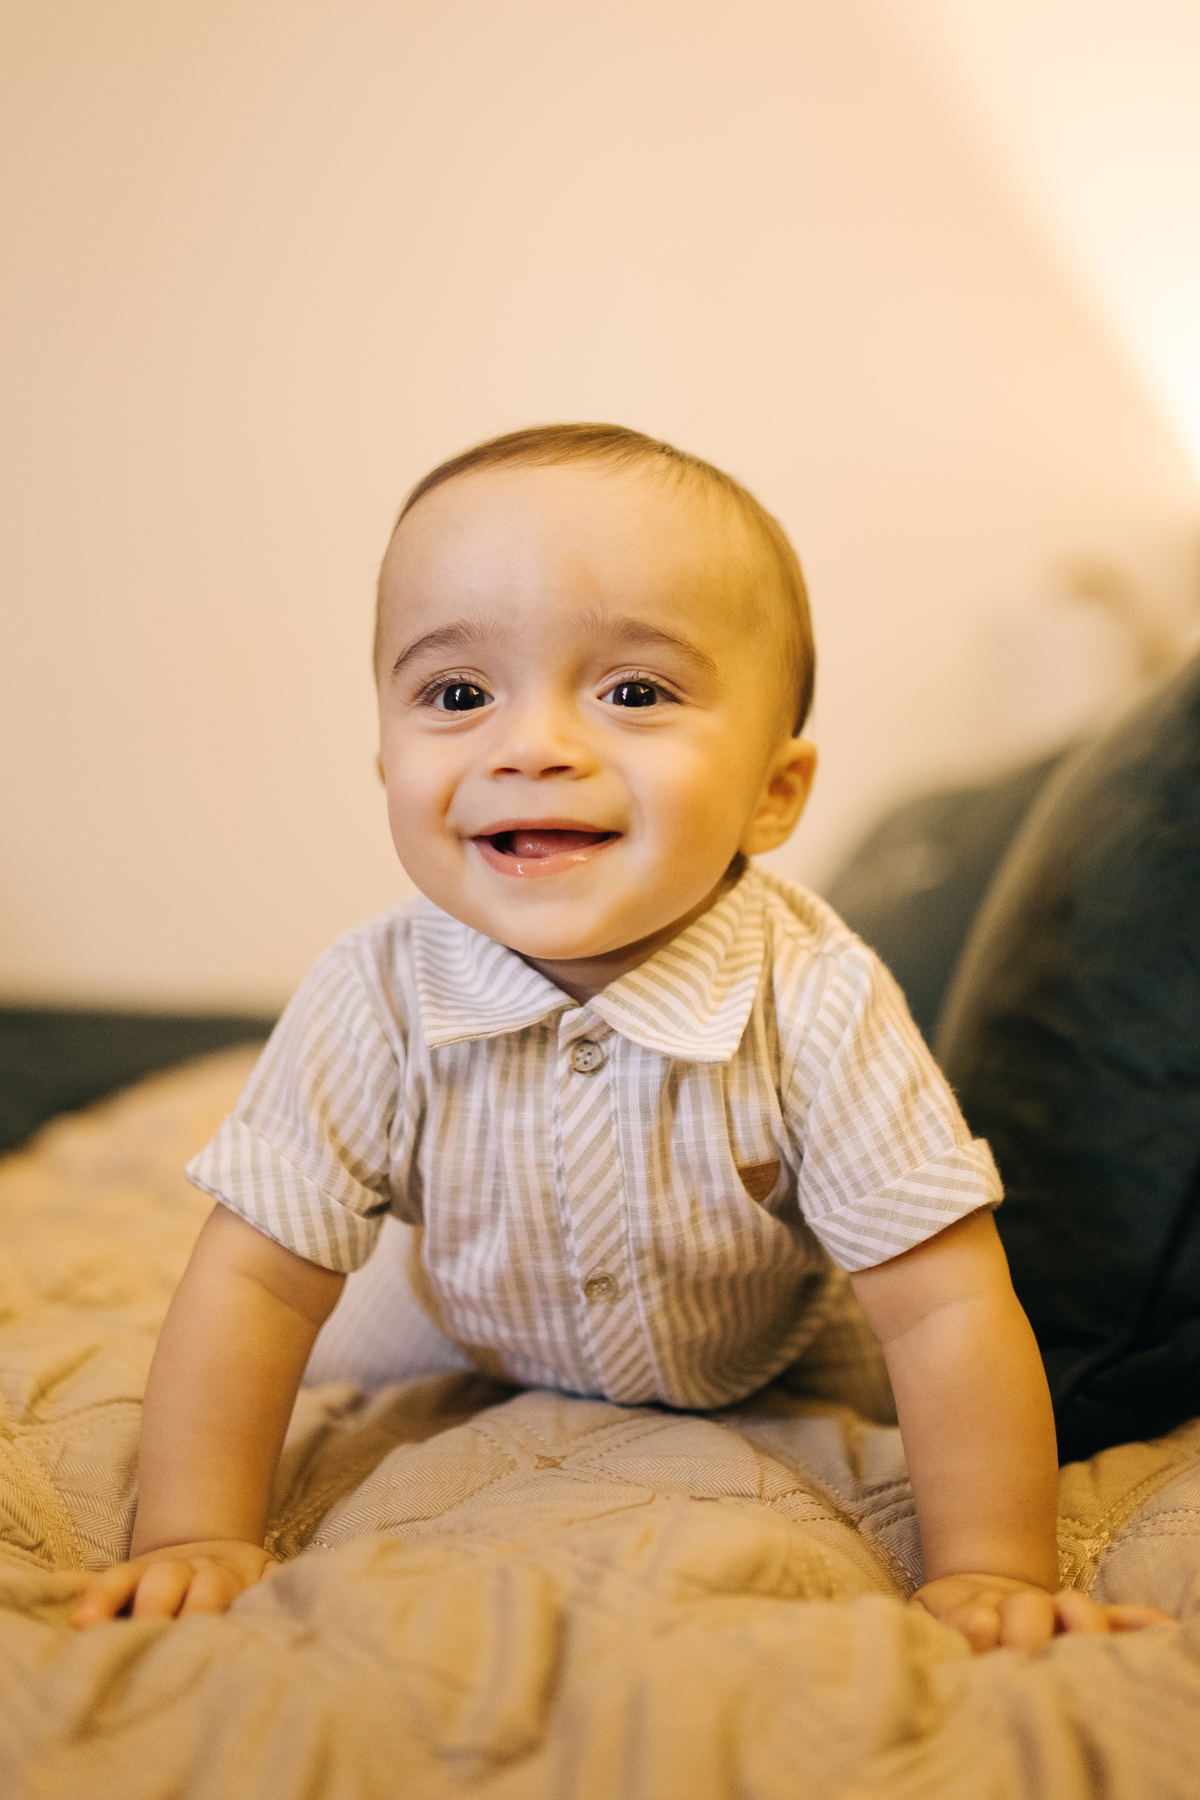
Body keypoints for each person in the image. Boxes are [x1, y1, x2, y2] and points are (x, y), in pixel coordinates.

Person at [71, 424, 1168, 1650]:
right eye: (459, 694)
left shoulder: (816, 996)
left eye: (633, 692)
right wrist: (192, 1531)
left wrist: (991, 1566)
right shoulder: (374, 990)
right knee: (284, 1333)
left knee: (943, 1371)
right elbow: (258, 1279)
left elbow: (940, 1308)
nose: (530, 747)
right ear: (386, 767)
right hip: (454, 1314)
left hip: (763, 1343)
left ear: (773, 794)